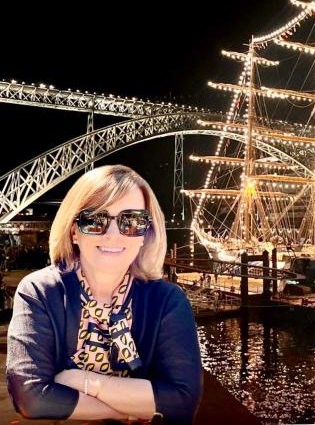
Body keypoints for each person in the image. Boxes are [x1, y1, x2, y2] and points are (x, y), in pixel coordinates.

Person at [6, 165, 202, 424]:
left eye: (131, 221)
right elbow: (31, 398)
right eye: (95, 220)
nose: (113, 234)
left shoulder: (167, 301)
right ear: (74, 231)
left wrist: (87, 382)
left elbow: (182, 401)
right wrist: (129, 410)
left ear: (145, 234)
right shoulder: (40, 292)